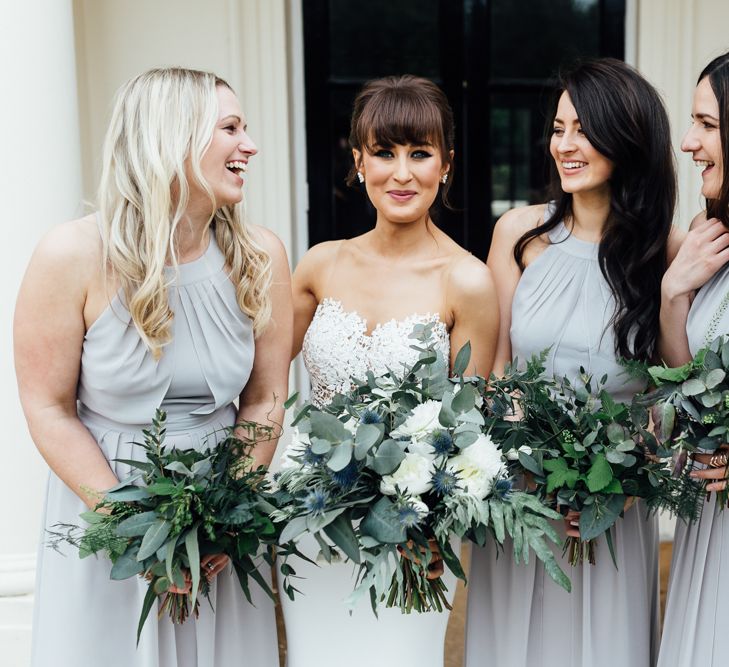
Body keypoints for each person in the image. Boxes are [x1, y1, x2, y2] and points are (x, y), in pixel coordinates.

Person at [14, 67, 292, 666]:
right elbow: (47, 407)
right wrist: (136, 530)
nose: (249, 145)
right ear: (173, 138)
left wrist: (226, 512)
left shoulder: (260, 254)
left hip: (219, 514)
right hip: (106, 505)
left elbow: (267, 397)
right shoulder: (71, 254)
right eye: (230, 128)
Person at [465, 58, 677, 667]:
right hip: (522, 501)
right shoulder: (519, 234)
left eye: (582, 129)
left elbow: (667, 393)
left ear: (626, 137)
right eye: (558, 128)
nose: (565, 145)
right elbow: (498, 367)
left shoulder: (666, 253)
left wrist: (623, 489)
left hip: (612, 508)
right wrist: (522, 465)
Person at [281, 74, 499, 667]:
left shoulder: (469, 281)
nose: (401, 173)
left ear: (446, 165)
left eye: (420, 153)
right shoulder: (319, 266)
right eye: (383, 152)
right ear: (358, 162)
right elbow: (260, 385)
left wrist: (430, 525)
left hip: (412, 525)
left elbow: (469, 424)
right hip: (312, 516)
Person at [657, 51, 729, 666]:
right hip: (711, 515)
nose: (688, 143)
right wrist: (675, 295)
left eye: (707, 124)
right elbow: (687, 389)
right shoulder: (708, 244)